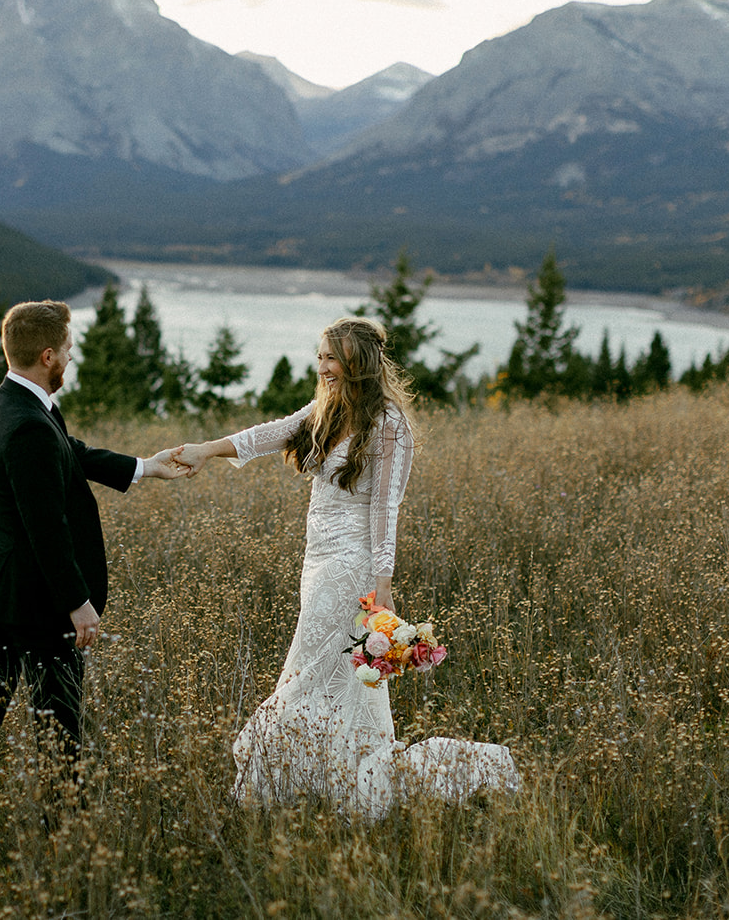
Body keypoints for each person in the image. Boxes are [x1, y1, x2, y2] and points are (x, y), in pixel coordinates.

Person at [174, 316, 518, 817]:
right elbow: (269, 435)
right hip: (316, 562)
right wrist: (205, 449)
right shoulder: (328, 410)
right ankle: (334, 774)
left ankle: (293, 778)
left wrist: (383, 585)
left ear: (356, 361)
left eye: (331, 357)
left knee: (307, 672)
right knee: (336, 679)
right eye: (320, 357)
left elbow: (385, 508)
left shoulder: (389, 424)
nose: (322, 367)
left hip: (352, 568)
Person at [0, 299, 186, 838]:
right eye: (69, 350)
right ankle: (62, 836)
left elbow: (68, 452)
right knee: (57, 720)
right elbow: (45, 526)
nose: (72, 358)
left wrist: (145, 467)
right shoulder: (28, 422)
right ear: (48, 354)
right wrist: (77, 603)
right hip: (28, 602)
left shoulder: (16, 400)